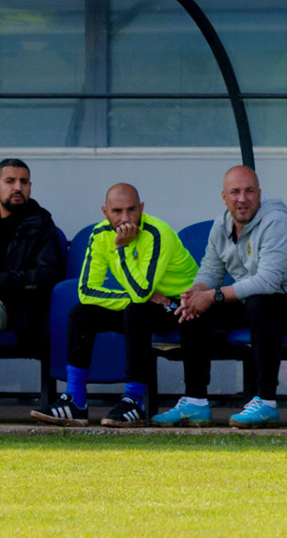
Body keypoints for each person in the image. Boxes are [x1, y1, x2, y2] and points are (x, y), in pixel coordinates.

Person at [152, 165, 287, 429]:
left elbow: (267, 281)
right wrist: (196, 293)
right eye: (235, 192)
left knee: (259, 301)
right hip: (262, 306)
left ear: (259, 194)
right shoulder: (220, 226)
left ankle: (266, 403)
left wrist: (212, 295)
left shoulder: (277, 222)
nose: (242, 198)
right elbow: (210, 271)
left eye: (249, 191)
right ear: (224, 197)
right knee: (196, 309)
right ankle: (195, 402)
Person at [31, 182, 197, 427]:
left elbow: (140, 293)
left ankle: (134, 402)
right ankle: (75, 401)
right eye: (117, 211)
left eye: (132, 209)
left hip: (179, 305)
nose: (125, 218)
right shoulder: (99, 234)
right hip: (141, 302)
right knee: (82, 313)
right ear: (105, 211)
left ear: (142, 208)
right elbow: (87, 291)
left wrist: (121, 249)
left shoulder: (157, 233)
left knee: (136, 311)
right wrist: (135, 296)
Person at [0, 158, 66, 424]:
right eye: (10, 181)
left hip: (13, 306)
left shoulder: (41, 224)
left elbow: (46, 275)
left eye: (23, 182)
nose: (18, 187)